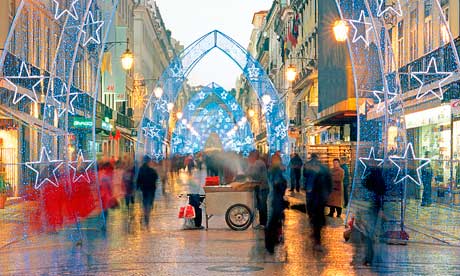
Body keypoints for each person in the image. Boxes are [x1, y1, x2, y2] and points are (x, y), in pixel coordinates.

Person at [361, 166, 386, 266]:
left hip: (371, 207)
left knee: (369, 233)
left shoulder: (370, 179)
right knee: (375, 232)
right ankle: (376, 257)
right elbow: (383, 192)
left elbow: (364, 183)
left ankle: (369, 258)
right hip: (377, 207)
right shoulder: (381, 180)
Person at [306, 155, 332, 252]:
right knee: (318, 217)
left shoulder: (312, 170)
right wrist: (327, 194)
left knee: (315, 218)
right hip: (322, 198)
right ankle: (317, 235)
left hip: (314, 199)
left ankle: (317, 239)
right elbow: (330, 183)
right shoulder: (325, 169)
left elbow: (308, 185)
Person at [265, 154, 288, 254]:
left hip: (273, 198)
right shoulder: (276, 171)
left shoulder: (271, 170)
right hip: (275, 199)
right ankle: (272, 241)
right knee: (274, 219)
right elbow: (279, 184)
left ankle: (272, 241)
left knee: (273, 220)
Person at [246, 150, 269, 228]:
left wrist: (250, 165)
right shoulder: (257, 163)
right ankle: (262, 222)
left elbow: (253, 173)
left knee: (262, 206)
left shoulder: (259, 163)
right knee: (260, 205)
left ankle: (263, 223)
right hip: (260, 187)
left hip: (262, 187)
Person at [137, 155, 158, 226]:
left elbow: (139, 179)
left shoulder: (141, 169)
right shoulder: (152, 170)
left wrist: (137, 188)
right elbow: (156, 178)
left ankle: (144, 217)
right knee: (149, 205)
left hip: (144, 190)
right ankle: (146, 219)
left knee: (145, 204)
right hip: (151, 190)